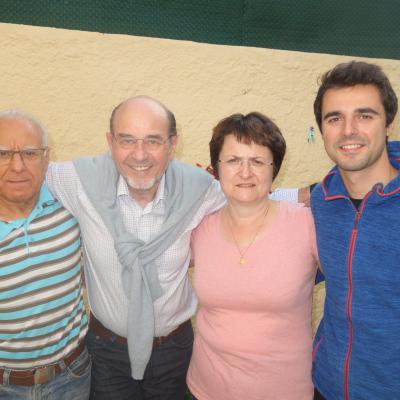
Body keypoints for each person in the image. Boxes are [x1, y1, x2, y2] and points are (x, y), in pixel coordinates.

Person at [45, 96, 305, 399]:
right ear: (110, 142)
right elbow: (23, 170)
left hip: (173, 350)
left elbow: (247, 191)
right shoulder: (80, 180)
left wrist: (315, 194)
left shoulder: (198, 189)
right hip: (106, 350)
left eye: (153, 141)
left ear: (173, 144)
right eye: (127, 140)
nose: (139, 154)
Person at [187, 112, 318, 400]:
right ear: (216, 168)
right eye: (233, 160)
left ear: (274, 169)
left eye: (258, 161)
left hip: (285, 391)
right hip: (206, 388)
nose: (245, 173)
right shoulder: (199, 228)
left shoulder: (307, 225)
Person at [311, 61, 400, 399]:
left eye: (365, 115)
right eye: (334, 118)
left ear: (389, 123)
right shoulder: (322, 200)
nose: (349, 130)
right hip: (327, 385)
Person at [0, 110, 90, 399]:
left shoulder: (71, 207)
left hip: (72, 378)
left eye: (29, 153)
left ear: (46, 157)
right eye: (3, 154)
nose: (17, 166)